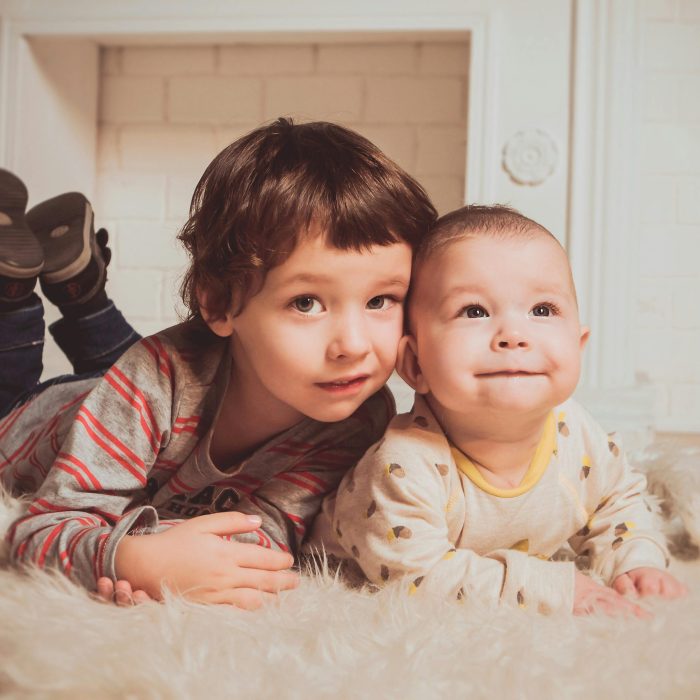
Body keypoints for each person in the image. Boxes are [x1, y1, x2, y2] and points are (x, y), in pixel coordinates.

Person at [0, 118, 437, 608]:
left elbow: (269, 534)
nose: (353, 346)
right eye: (306, 303)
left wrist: (184, 559)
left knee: (141, 373)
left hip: (150, 406)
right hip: (31, 422)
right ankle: (16, 296)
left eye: (381, 300)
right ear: (218, 303)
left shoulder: (356, 416)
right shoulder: (153, 381)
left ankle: (84, 296)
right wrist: (130, 560)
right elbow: (31, 532)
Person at [306, 204, 687, 616]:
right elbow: (416, 577)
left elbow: (618, 501)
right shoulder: (402, 465)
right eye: (474, 311)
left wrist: (636, 559)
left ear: (578, 347)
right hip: (346, 568)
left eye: (542, 310)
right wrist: (552, 587)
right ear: (415, 364)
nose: (514, 335)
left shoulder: (574, 431)